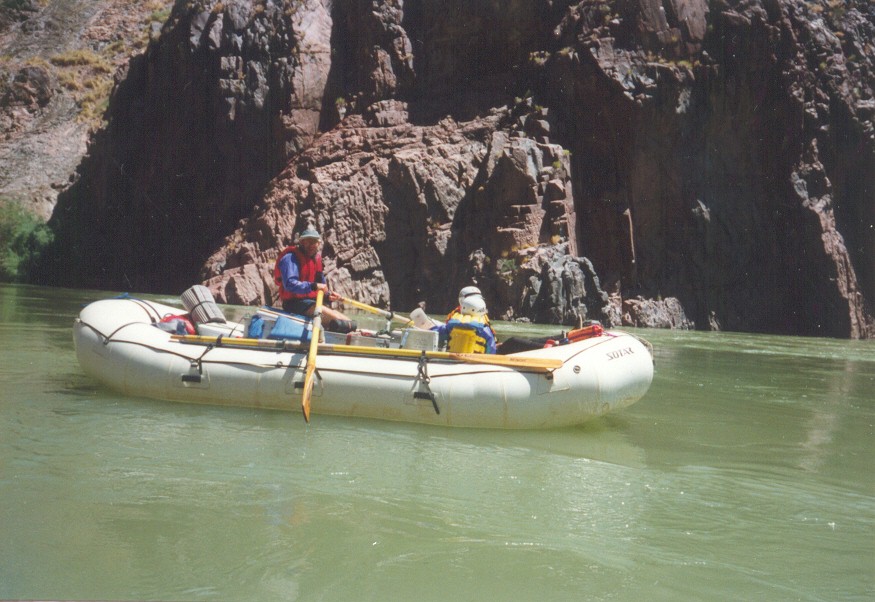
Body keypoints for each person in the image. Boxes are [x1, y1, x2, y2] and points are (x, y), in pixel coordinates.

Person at [273, 227, 356, 333]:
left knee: (347, 322)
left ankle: (352, 333)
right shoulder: (290, 258)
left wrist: (328, 295)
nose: (311, 245)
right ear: (302, 242)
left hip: (310, 302)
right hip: (294, 304)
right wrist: (313, 286)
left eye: (314, 242)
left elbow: (321, 285)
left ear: (318, 244)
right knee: (340, 322)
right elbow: (290, 284)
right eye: (308, 242)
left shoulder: (316, 260)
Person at [434, 289, 497, 354]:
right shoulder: (484, 329)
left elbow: (438, 333)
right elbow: (491, 348)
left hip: (452, 356)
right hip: (474, 358)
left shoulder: (451, 325)